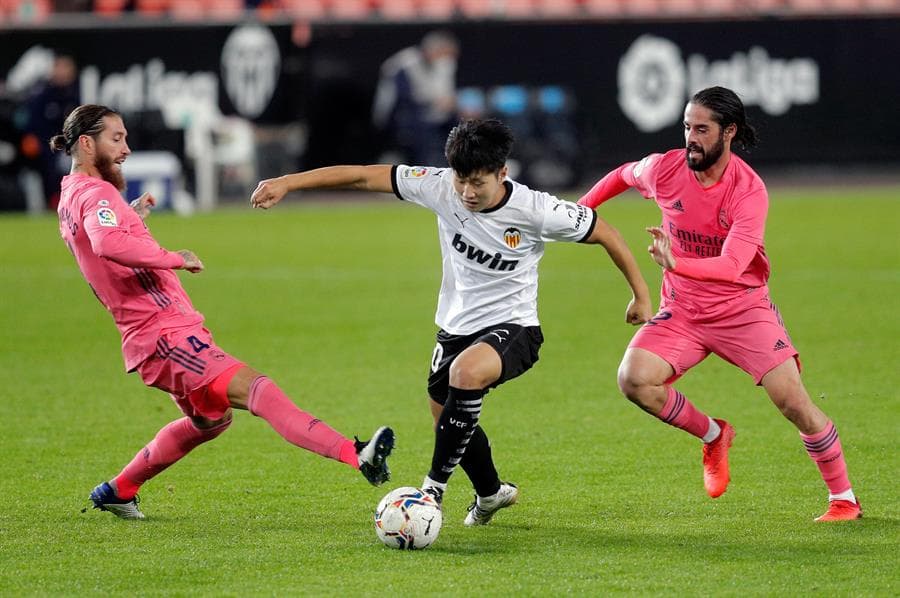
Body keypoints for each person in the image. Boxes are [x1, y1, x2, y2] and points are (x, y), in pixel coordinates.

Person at [250, 118, 653, 526]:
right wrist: (288, 182)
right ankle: (491, 493)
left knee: (466, 374)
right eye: (462, 180)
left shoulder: (537, 209)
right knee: (446, 415)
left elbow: (606, 232)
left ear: (502, 173)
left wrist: (640, 296)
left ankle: (431, 492)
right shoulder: (439, 185)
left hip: (515, 327)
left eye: (478, 183)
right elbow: (362, 176)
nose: (467, 192)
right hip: (457, 327)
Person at [52, 104, 394, 520]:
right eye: (116, 138)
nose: (126, 148)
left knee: (212, 421)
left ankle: (117, 490)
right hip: (162, 335)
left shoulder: (72, 195)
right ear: (86, 144)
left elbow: (98, 243)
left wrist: (131, 217)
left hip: (157, 334)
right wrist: (173, 258)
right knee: (258, 389)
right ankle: (358, 455)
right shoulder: (97, 193)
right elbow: (107, 244)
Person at [578, 86, 861, 522]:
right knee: (634, 380)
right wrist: (580, 212)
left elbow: (732, 266)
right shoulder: (665, 168)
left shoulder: (748, 191)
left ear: (729, 132)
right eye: (687, 127)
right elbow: (623, 174)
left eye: (702, 130)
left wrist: (677, 263)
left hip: (742, 311)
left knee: (793, 402)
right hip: (683, 311)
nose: (691, 138)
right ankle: (714, 435)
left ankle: (843, 499)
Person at [371, 30, 459, 166]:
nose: (448, 59)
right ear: (435, 50)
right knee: (419, 133)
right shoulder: (405, 63)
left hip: (426, 116)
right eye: (446, 54)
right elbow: (402, 98)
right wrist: (435, 101)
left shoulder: (442, 65)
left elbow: (446, 97)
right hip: (397, 118)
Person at [21, 52, 80, 209]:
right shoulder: (41, 95)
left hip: (67, 148)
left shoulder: (75, 95)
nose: (62, 72)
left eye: (66, 67)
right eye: (58, 67)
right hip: (44, 149)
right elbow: (32, 126)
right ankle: (51, 202)